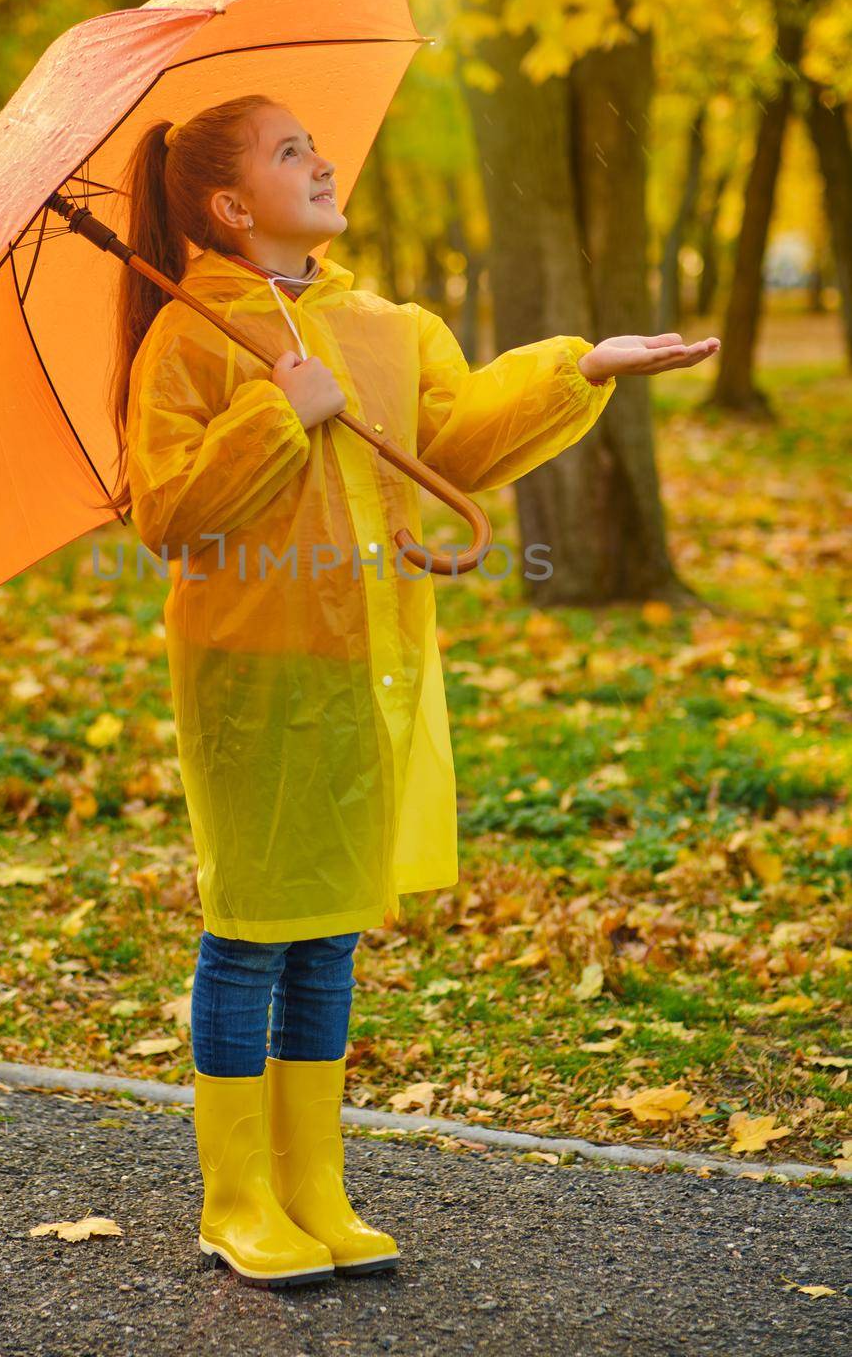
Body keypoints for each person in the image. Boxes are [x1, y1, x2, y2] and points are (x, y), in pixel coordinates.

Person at [107, 94, 720, 1290]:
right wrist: (271, 412)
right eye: (292, 151)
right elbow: (166, 514)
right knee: (248, 933)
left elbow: (456, 444)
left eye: (311, 141)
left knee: (328, 929)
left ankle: (315, 1181)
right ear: (232, 206)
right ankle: (237, 1197)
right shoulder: (190, 338)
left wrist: (581, 367)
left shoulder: (385, 323)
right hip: (251, 673)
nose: (321, 156)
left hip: (373, 664)